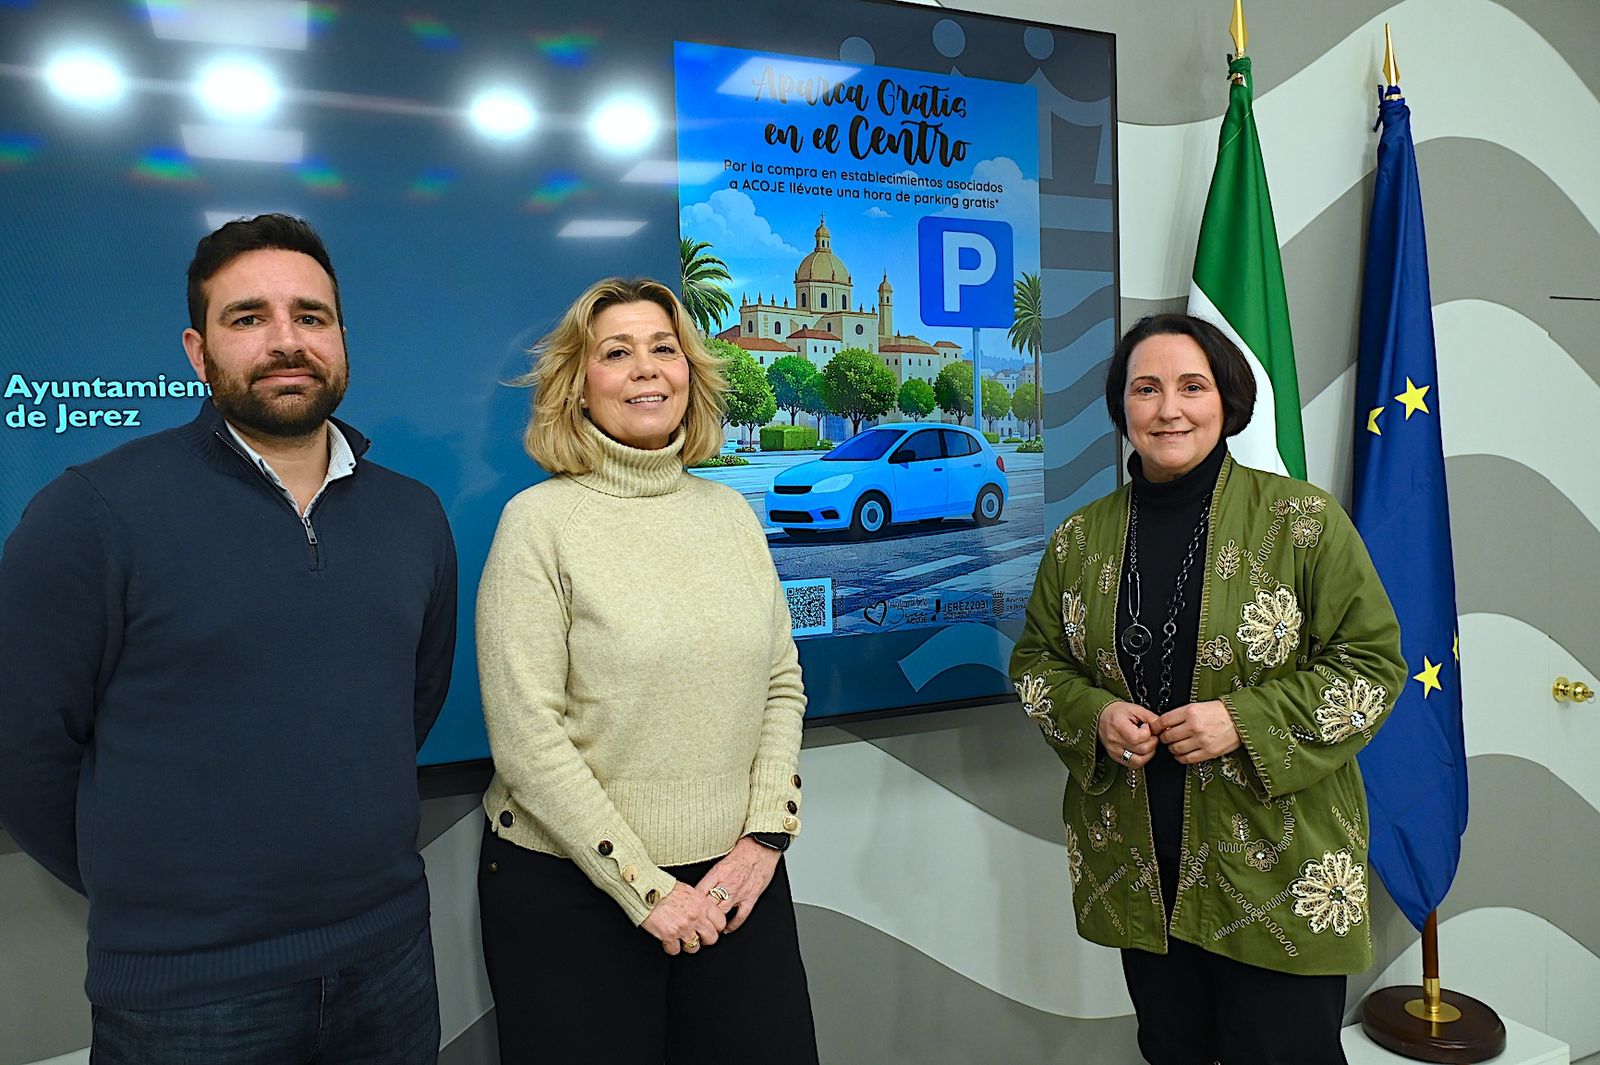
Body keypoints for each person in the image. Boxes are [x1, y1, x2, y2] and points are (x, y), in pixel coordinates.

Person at [0, 214, 457, 1064]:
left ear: (342, 338)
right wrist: (156, 895)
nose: (286, 341)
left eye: (310, 317)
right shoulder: (92, 514)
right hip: (187, 995)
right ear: (197, 350)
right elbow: (24, 749)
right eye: (248, 318)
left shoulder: (413, 514)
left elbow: (410, 707)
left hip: (389, 961)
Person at [1010, 313, 1406, 1065]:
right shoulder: (1078, 539)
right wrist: (1094, 714)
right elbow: (1036, 664)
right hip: (1140, 864)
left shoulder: (1302, 521)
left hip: (1278, 863)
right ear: (1121, 406)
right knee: (1171, 1050)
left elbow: (1374, 663)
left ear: (1226, 398)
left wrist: (1244, 719)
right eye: (1146, 388)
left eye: (1191, 386)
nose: (1169, 409)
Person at [475, 276, 818, 1064]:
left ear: (691, 371)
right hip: (573, 891)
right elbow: (528, 738)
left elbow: (780, 681)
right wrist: (648, 890)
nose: (646, 369)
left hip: (737, 882)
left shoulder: (730, 514)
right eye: (617, 352)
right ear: (578, 384)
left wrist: (763, 839)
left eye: (664, 348)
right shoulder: (537, 524)